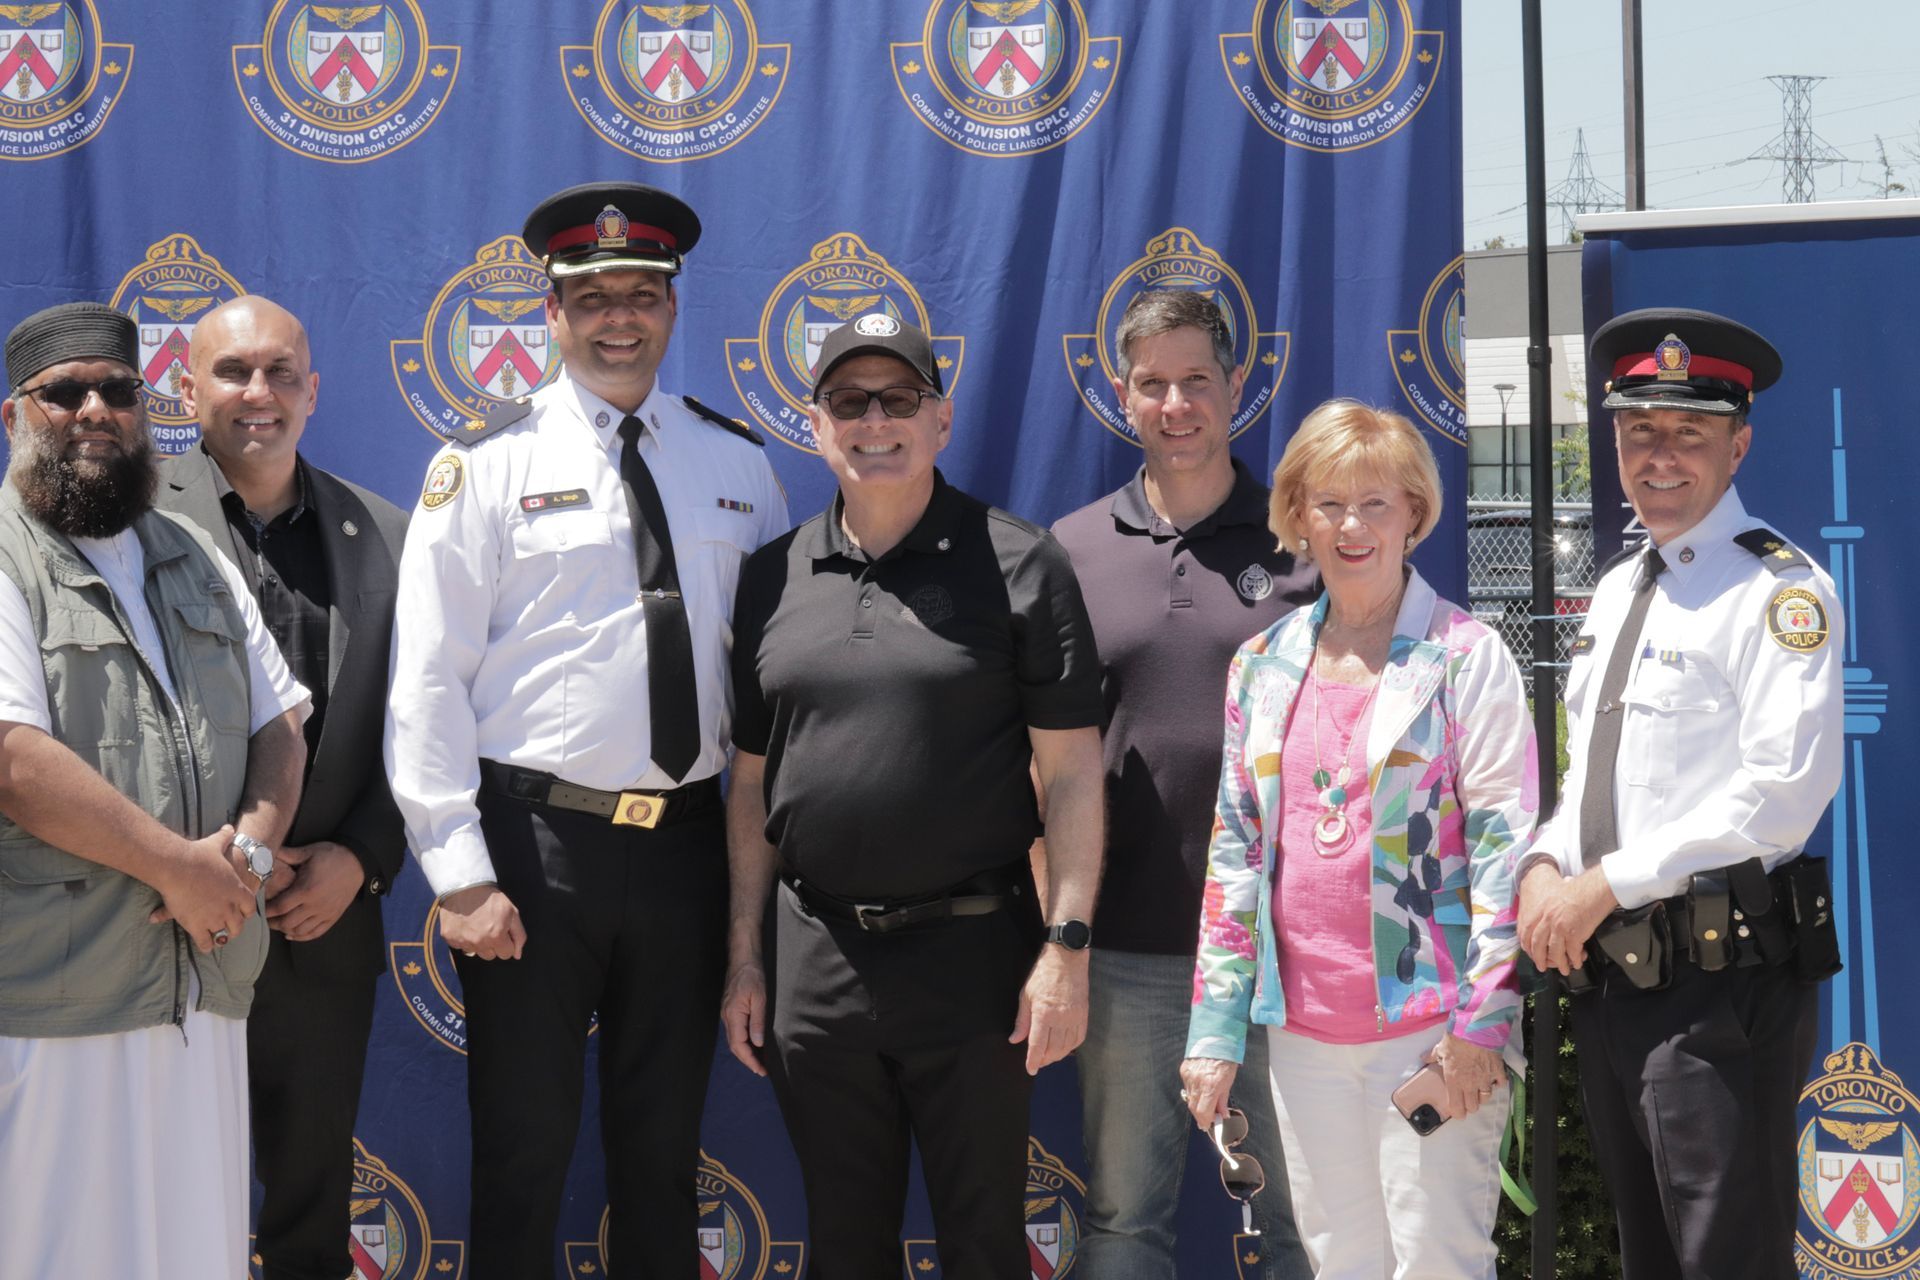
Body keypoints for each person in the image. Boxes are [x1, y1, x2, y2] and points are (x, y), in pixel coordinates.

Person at [385, 183, 788, 1278]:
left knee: (663, 1157)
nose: (620, 317)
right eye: (593, 296)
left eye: (642, 294)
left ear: (672, 307)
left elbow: (772, 679)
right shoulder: (485, 467)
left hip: (687, 851)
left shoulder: (740, 467)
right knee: (522, 1148)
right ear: (551, 317)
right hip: (533, 852)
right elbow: (426, 678)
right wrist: (458, 872)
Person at [721, 315, 1105, 1278]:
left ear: (940, 418)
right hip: (818, 961)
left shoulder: (1021, 564)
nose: (875, 420)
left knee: (984, 1247)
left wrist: (1065, 949)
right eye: (850, 401)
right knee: (846, 1248)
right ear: (816, 425)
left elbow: (1069, 776)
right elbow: (753, 781)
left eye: (899, 398)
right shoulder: (770, 577)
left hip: (975, 960)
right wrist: (745, 957)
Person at [1516, 308, 1843, 1280]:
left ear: (1737, 444)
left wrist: (1603, 881)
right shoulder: (1620, 585)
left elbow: (1782, 790)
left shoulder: (1779, 591)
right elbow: (1591, 774)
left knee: (1726, 1261)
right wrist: (1546, 862)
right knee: (1652, 1259)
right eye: (1638, 430)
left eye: (1689, 433)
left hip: (1720, 989)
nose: (1660, 455)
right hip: (1618, 983)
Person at [1180, 400, 1536, 1279]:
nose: (1351, 525)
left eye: (1377, 503)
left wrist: (1481, 1029)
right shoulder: (1261, 665)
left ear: (1415, 513)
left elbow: (1507, 851)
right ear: (1296, 515)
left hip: (1433, 1036)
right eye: (1329, 502)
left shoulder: (1465, 656)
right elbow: (1235, 852)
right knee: (1340, 1265)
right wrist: (1215, 1032)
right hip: (1301, 1036)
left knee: (1441, 1266)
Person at [0, 301, 310, 1278]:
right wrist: (179, 867)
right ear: (16, 416)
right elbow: (13, 755)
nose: (94, 408)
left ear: (146, 410)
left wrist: (244, 860)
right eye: (64, 393)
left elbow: (280, 727)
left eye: (118, 390)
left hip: (201, 985)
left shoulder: (197, 555)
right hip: (56, 999)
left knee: (193, 1251)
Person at [1051, 290, 1315, 1279]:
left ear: (1236, 385)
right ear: (1123, 393)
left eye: (1196, 379)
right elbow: (1047, 759)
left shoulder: (1301, 538)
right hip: (1129, 948)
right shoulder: (1070, 550)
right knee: (1125, 1223)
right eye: (1153, 382)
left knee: (1301, 1226)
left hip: (1285, 953)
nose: (1176, 403)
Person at [159, 295, 409, 1280]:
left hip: (322, 921)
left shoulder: (386, 534)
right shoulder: (125, 523)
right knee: (172, 1192)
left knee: (309, 1205)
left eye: (278, 373)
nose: (256, 394)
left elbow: (420, 730)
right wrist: (195, 862)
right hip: (169, 918)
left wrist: (364, 856)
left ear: (313, 390)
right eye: (231, 372)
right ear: (187, 388)